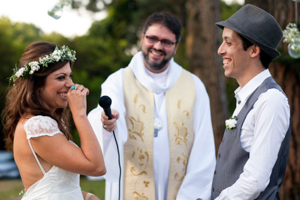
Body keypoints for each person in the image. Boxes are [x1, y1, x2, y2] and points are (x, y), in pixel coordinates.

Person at [88, 12, 216, 200]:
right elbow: (112, 114)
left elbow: (203, 146)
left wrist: (191, 195)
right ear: (142, 38)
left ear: (176, 46)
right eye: (152, 38)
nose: (157, 46)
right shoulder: (118, 81)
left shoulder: (194, 85)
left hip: (180, 191)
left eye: (166, 41)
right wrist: (110, 123)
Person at [2, 41, 106, 200]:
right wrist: (79, 114)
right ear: (37, 85)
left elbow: (54, 189)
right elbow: (97, 167)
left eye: (70, 76)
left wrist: (88, 197)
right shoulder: (37, 126)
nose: (70, 84)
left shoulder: (43, 123)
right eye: (61, 77)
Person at [209, 4, 291, 200]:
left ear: (254, 50)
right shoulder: (246, 97)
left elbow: (255, 181)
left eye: (228, 43)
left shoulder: (271, 100)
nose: (220, 50)